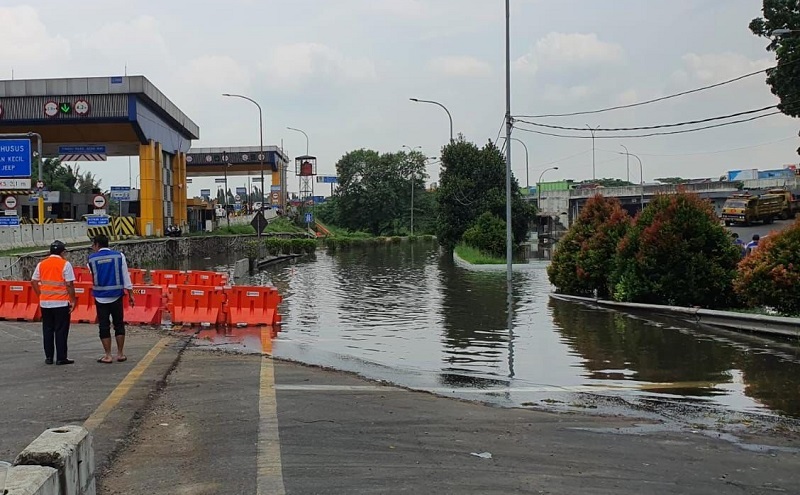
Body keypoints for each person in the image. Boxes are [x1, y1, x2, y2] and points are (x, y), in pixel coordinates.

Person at [88, 234, 134, 364]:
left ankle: (107, 355)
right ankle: (120, 354)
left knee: (104, 325)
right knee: (119, 324)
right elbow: (126, 276)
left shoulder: (91, 259)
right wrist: (131, 294)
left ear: (97, 245)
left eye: (93, 245)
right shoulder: (119, 256)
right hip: (116, 295)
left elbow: (93, 274)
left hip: (100, 297)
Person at [31, 240, 77, 365]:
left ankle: (49, 357)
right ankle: (61, 357)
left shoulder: (42, 264)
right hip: (61, 303)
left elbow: (34, 281)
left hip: (45, 303)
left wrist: (40, 295)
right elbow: (69, 284)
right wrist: (73, 300)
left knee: (47, 330)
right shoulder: (65, 264)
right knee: (61, 330)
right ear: (62, 252)